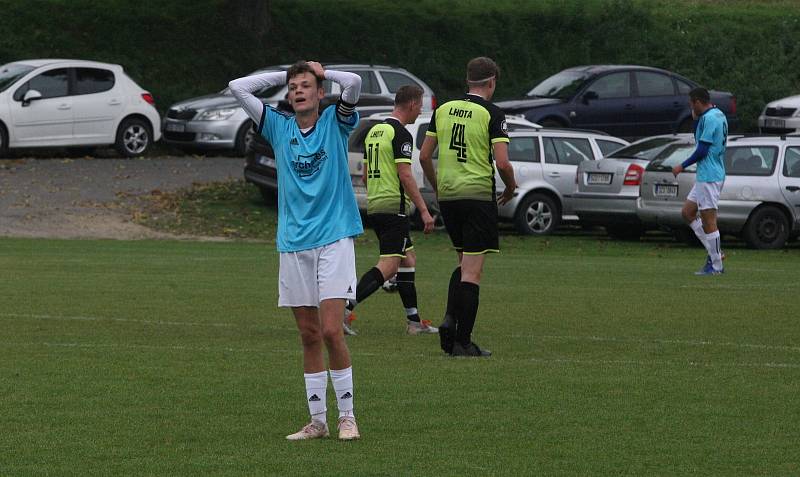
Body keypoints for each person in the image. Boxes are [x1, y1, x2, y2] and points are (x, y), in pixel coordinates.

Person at [229, 61, 363, 440]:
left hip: (334, 237)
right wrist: (285, 73)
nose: (297, 91)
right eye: (293, 88)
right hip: (293, 243)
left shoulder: (335, 121)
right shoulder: (278, 125)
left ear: (321, 93)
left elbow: (353, 83)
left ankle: (347, 417)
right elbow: (238, 86)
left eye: (306, 86)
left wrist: (324, 70)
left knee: (332, 330)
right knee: (308, 334)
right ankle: (318, 421)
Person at [419, 57, 516, 357]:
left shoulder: (443, 109)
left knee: (464, 264)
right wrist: (511, 187)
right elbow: (502, 162)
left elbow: (424, 157)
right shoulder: (492, 113)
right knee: (473, 273)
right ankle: (463, 341)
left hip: (448, 197)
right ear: (491, 82)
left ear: (467, 80)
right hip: (477, 196)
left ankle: (450, 319)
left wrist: (438, 187)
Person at [343, 85, 437, 336]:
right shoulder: (401, 134)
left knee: (407, 260)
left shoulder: (375, 131)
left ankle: (414, 321)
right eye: (420, 106)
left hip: (375, 205)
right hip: (393, 207)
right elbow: (405, 175)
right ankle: (344, 309)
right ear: (411, 104)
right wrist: (424, 210)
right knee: (389, 266)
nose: (420, 112)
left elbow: (364, 176)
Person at [672, 87, 728, 275]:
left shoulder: (710, 119)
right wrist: (695, 119)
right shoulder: (717, 113)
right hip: (707, 175)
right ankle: (716, 253)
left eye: (691, 103)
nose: (689, 107)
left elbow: (702, 149)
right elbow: (698, 138)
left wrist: (682, 165)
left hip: (710, 176)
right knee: (688, 212)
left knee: (708, 220)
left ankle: (716, 265)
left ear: (697, 102)